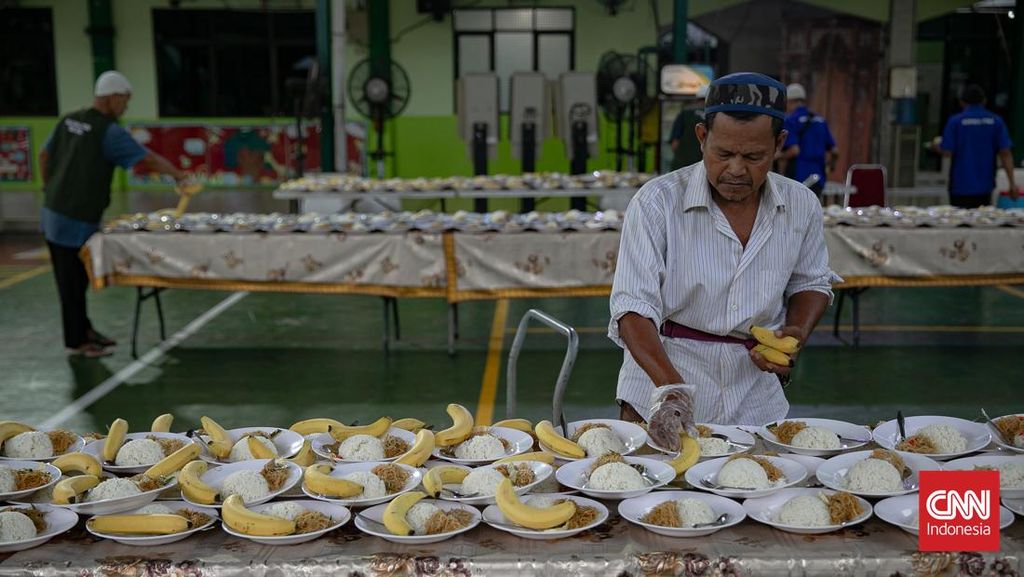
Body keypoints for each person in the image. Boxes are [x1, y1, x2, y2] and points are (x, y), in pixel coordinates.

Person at [609, 72, 838, 435]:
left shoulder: (801, 205)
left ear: (779, 144)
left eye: (753, 157)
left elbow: (811, 282)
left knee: (755, 482)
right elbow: (632, 308)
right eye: (724, 153)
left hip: (754, 398)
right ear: (702, 138)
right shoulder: (657, 203)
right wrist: (673, 392)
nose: (735, 169)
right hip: (659, 386)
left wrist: (795, 331)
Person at [39, 71, 187, 357]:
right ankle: (77, 341)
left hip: (53, 213)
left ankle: (84, 328)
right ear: (113, 97)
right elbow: (147, 159)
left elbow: (45, 156)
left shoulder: (69, 120)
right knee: (71, 283)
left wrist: (50, 188)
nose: (126, 107)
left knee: (76, 279)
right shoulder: (108, 131)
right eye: (125, 101)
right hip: (74, 219)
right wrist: (179, 175)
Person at [936, 84, 1020, 208]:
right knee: (982, 220)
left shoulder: (955, 121)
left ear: (962, 102)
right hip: (985, 185)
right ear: (984, 101)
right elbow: (1005, 153)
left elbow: (947, 152)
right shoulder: (996, 121)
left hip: (960, 185)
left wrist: (936, 147)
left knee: (960, 220)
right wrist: (1012, 183)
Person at [776, 83, 836, 195]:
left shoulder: (791, 120)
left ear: (790, 101)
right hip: (819, 176)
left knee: (797, 210)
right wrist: (830, 167)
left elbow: (794, 151)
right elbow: (834, 151)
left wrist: (778, 156)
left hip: (798, 176)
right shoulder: (820, 120)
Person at [667, 85, 709, 171]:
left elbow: (675, 143)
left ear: (697, 98)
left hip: (682, 165)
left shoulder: (685, 113)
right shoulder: (715, 115)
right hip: (704, 166)